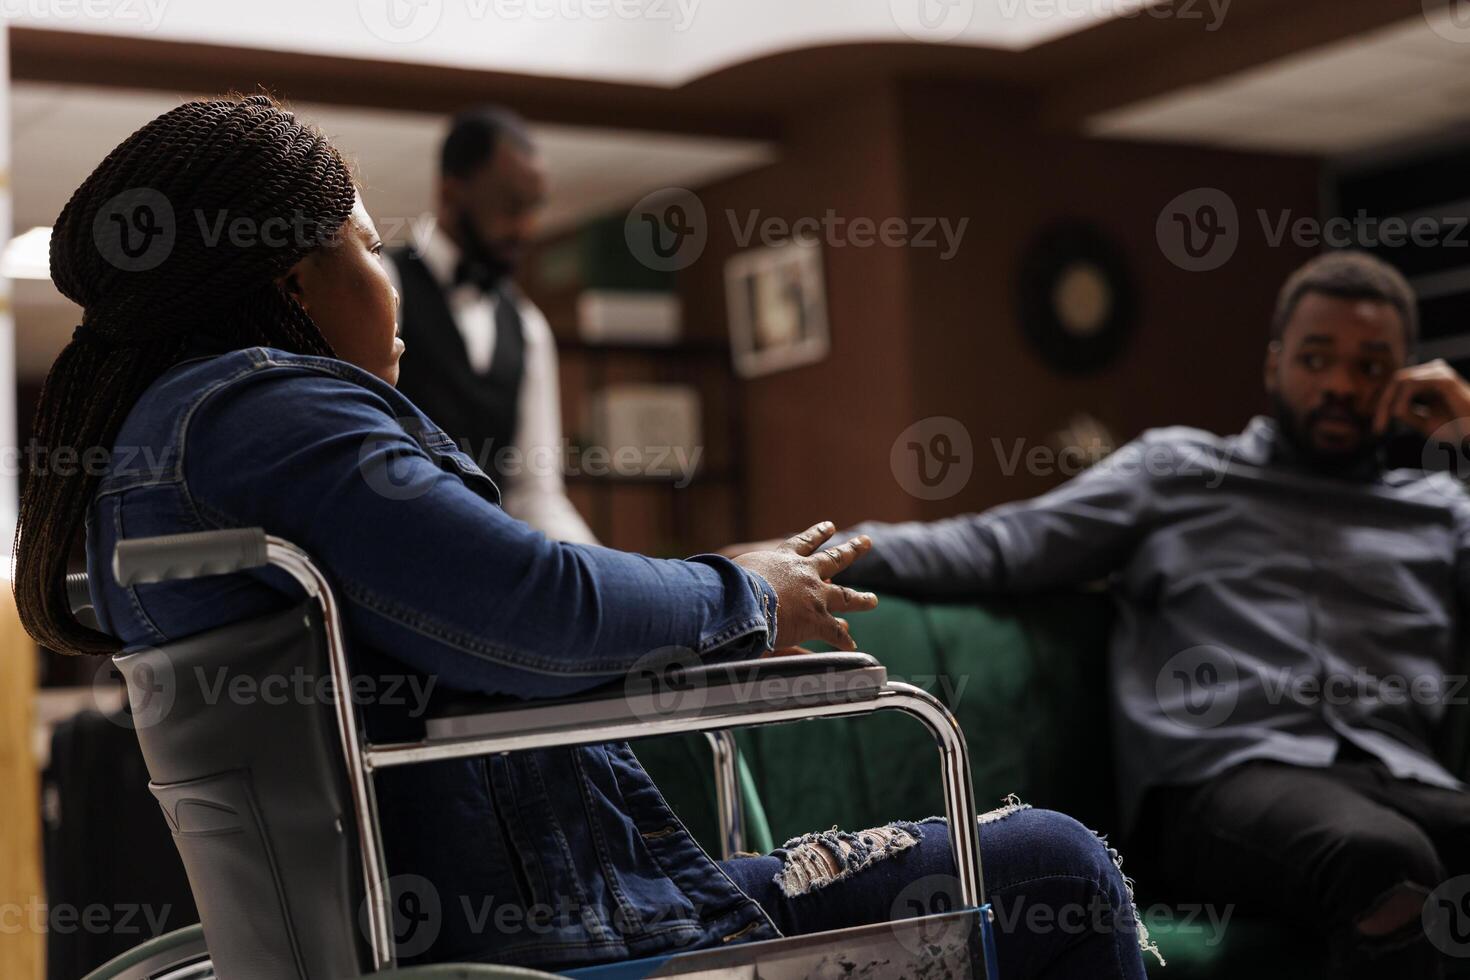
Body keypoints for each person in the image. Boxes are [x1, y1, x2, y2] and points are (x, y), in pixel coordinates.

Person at [14, 95, 1151, 978]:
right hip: (547, 935)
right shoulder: (275, 415)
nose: (392, 282)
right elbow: (535, 607)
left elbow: (502, 581)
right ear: (297, 280)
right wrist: (742, 595)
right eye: (370, 247)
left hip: (461, 918)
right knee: (1053, 861)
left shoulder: (170, 439)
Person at [821, 250, 1470, 977]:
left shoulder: (1441, 511)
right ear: (1274, 363)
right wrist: (810, 556)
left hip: (1400, 772)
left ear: (1408, 378)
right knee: (1384, 858)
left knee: (1400, 839)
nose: (1341, 385)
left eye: (1371, 365)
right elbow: (1000, 544)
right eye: (1317, 358)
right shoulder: (1180, 471)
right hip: (1223, 781)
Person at [386, 106, 595, 544]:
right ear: (451, 192)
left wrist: (607, 572)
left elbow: (535, 493)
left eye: (534, 209)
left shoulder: (528, 324)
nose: (526, 228)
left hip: (485, 564)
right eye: (510, 207)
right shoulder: (386, 285)